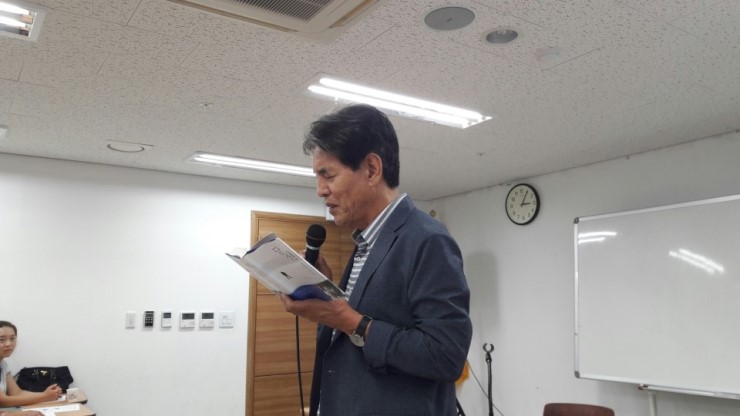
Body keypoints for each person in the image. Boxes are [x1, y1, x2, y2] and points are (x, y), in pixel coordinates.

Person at [279, 104, 473, 415]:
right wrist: (326, 294)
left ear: (371, 169)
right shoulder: (366, 242)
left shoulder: (427, 239)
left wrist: (349, 320)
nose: (320, 191)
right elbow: (351, 338)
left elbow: (446, 357)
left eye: (328, 175)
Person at [0, 321, 62, 411]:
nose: (9, 344)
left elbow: (17, 393)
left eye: (12, 338)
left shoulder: (3, 364)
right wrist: (45, 396)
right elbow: (3, 401)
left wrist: (49, 393)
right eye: (2, 339)